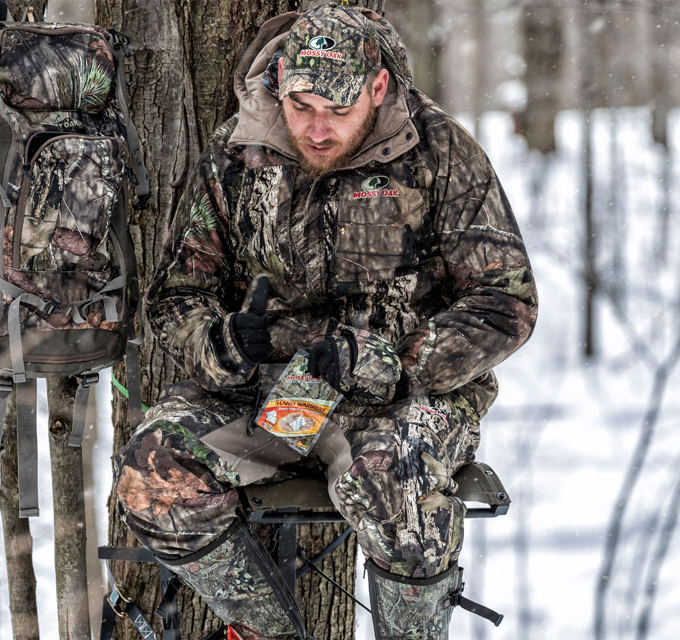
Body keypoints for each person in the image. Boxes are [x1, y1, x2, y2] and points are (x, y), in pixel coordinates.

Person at [115, 4, 538, 639]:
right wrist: (218, 344)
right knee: (155, 471)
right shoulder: (237, 155)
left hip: (402, 400)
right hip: (269, 397)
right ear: (280, 79)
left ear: (378, 87)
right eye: (302, 105)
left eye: (338, 111)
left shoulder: (441, 152)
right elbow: (177, 294)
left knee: (386, 477)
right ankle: (268, 631)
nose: (317, 129)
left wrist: (393, 359)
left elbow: (507, 302)